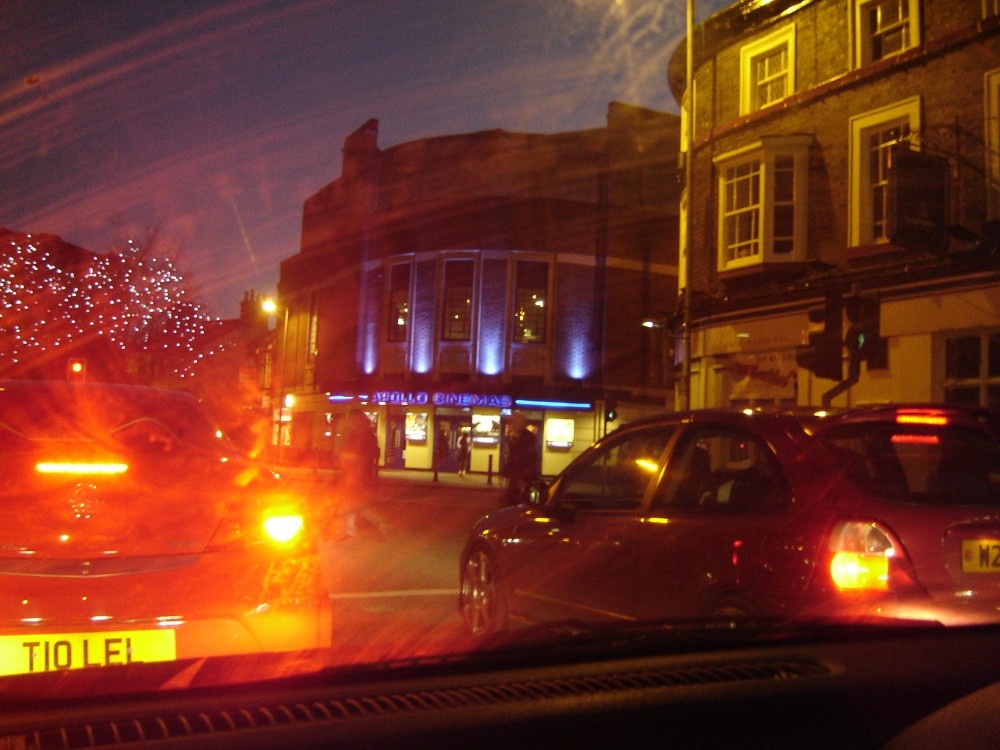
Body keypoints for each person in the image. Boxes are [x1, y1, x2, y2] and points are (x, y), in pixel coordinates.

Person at [500, 412, 540, 506]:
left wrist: (522, 478)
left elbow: (528, 458)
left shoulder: (527, 437)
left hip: (522, 477)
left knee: (519, 502)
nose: (512, 424)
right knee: (510, 501)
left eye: (515, 422)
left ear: (521, 423)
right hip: (515, 476)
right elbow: (513, 456)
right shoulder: (515, 435)